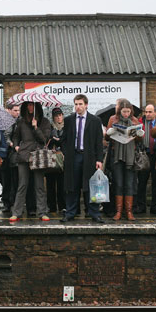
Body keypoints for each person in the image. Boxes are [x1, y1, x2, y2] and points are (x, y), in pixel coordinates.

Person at [60, 94, 104, 223]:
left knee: (90, 186)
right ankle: (70, 212)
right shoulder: (69, 120)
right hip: (73, 156)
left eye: (80, 104)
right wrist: (66, 153)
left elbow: (99, 142)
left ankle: (94, 212)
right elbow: (64, 139)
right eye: (76, 104)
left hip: (89, 157)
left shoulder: (95, 120)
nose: (78, 107)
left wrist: (99, 159)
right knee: (72, 185)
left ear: (86, 105)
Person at [10, 101, 52, 222]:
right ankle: (16, 212)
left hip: (38, 155)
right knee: (22, 184)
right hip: (24, 155)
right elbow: (16, 136)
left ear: (37, 106)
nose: (30, 107)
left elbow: (44, 139)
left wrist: (36, 127)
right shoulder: (21, 121)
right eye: (28, 105)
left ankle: (42, 212)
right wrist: (16, 146)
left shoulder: (44, 121)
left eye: (32, 105)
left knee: (39, 185)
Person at [105, 99, 143, 221]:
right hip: (117, 155)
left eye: (127, 111)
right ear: (119, 110)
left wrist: (139, 135)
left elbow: (139, 140)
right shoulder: (113, 119)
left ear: (131, 111)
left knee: (129, 184)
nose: (126, 114)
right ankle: (118, 211)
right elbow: (107, 137)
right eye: (123, 111)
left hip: (130, 155)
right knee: (119, 184)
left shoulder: (134, 121)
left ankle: (129, 212)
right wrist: (110, 132)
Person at [136, 104, 156, 215]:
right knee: (141, 182)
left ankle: (154, 207)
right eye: (146, 112)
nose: (148, 114)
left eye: (150, 112)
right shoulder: (139, 123)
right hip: (143, 154)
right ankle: (141, 206)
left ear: (155, 112)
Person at [1, 103, 20, 213]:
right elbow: (5, 136)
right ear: (9, 110)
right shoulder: (6, 121)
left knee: (16, 180)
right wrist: (11, 143)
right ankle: (7, 203)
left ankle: (13, 202)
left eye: (18, 110)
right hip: (6, 154)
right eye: (15, 110)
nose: (17, 112)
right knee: (6, 180)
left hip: (14, 155)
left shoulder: (19, 121)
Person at [46, 107, 65, 213]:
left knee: (62, 184)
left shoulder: (66, 127)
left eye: (60, 115)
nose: (59, 117)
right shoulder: (49, 127)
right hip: (51, 157)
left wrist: (60, 141)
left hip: (62, 158)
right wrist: (53, 139)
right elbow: (47, 140)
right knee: (50, 184)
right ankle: (51, 206)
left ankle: (62, 206)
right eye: (56, 116)